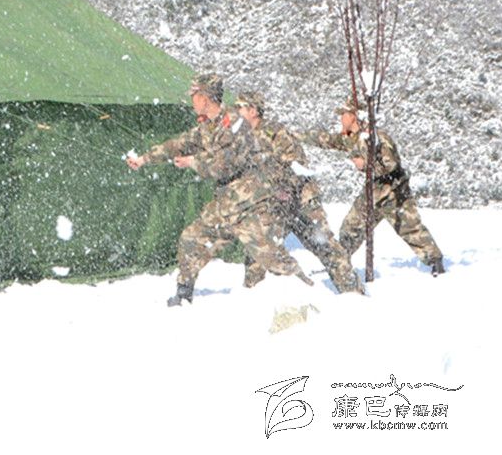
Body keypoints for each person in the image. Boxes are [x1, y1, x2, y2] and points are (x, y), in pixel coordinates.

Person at [127, 73, 313, 307]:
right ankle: (183, 295)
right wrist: (145, 159)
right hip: (225, 203)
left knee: (271, 257)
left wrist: (193, 161)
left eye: (194, 96)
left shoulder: (235, 124)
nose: (192, 101)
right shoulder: (208, 125)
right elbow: (180, 143)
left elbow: (224, 165)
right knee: (191, 240)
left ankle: (309, 293)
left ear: (205, 98)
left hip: (249, 203)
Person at [234, 91, 363, 294]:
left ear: (253, 111)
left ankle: (353, 293)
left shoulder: (275, 133)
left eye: (240, 107)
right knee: (259, 248)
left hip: (302, 200)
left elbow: (296, 164)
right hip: (274, 204)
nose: (236, 112)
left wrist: (283, 187)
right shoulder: (242, 138)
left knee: (325, 246)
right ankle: (253, 295)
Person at [303, 99, 445, 276]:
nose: (341, 118)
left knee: (410, 229)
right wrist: (297, 136)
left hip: (394, 191)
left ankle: (436, 264)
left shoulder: (377, 138)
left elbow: (391, 165)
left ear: (353, 116)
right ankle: (340, 266)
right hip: (373, 191)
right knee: (350, 227)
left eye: (344, 114)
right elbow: (327, 140)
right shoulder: (351, 138)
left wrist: (366, 164)